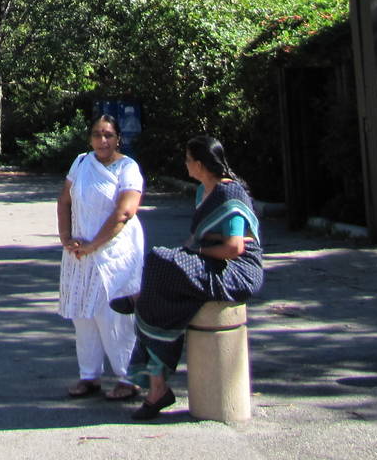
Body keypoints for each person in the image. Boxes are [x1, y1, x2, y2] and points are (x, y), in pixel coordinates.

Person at [112, 134, 264, 420]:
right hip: (210, 262)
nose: (185, 164)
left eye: (188, 159)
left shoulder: (231, 194)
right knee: (159, 272)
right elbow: (195, 241)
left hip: (238, 270)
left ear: (200, 163)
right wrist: (190, 253)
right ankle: (157, 386)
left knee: (158, 263)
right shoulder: (202, 192)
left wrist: (198, 251)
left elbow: (234, 247)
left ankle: (156, 386)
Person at [56, 114, 145, 400]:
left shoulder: (127, 168)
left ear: (118, 138)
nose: (102, 140)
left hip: (115, 253)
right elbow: (64, 200)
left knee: (113, 316)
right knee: (83, 313)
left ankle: (127, 377)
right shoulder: (82, 162)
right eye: (97, 134)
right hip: (80, 252)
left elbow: (125, 211)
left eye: (108, 135)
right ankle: (89, 376)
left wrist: (95, 244)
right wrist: (66, 238)